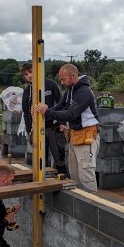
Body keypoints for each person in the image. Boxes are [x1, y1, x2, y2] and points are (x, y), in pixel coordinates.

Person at [36, 63, 99, 191]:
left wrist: (47, 112)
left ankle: (92, 206)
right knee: (75, 175)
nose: (61, 82)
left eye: (63, 79)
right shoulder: (70, 90)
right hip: (76, 136)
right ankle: (80, 207)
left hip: (86, 139)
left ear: (73, 76)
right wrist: (42, 112)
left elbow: (70, 114)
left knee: (86, 177)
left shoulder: (84, 92)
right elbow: (59, 106)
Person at [20, 63, 66, 175]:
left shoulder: (51, 85)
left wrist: (62, 123)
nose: (29, 76)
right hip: (38, 129)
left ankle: (62, 180)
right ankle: (43, 184)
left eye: (31, 72)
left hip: (54, 128)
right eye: (26, 74)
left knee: (59, 158)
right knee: (41, 161)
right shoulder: (27, 92)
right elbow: (26, 113)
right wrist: (29, 130)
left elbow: (62, 104)